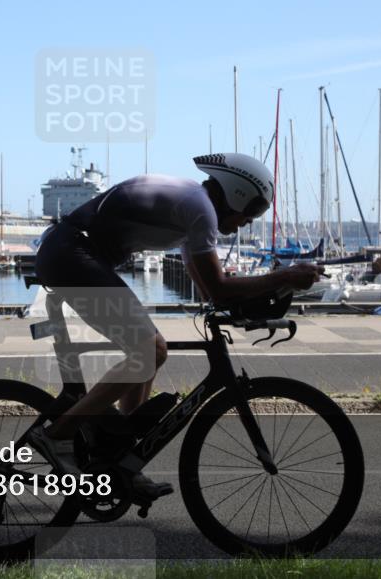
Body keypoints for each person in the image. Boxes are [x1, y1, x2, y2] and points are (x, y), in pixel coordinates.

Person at [28, 153, 324, 498]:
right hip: (72, 254)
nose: (249, 220)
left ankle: (123, 460)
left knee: (150, 352)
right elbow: (218, 289)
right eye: (254, 209)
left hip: (74, 254)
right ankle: (57, 435)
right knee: (150, 349)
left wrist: (271, 291)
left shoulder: (193, 211)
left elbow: (211, 291)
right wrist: (284, 275)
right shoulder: (200, 209)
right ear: (238, 192)